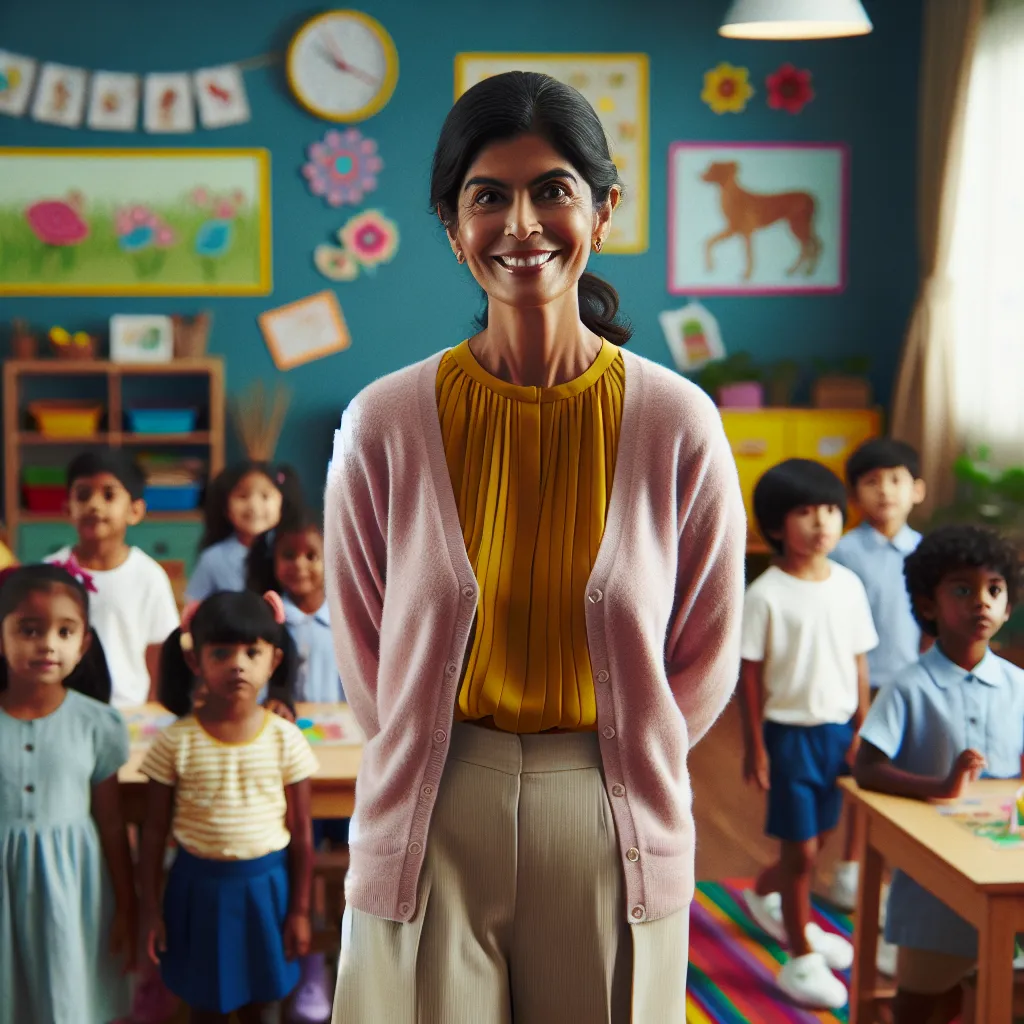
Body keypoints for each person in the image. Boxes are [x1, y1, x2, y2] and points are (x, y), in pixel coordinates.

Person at [325, 70, 746, 1024]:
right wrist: (410, 756)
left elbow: (709, 649)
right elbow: (360, 639)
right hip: (432, 810)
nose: (522, 225)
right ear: (450, 223)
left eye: (552, 189)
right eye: (489, 197)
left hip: (609, 807)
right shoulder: (385, 421)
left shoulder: (678, 421)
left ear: (603, 210)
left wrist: (632, 765)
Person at [855, 525, 1024, 1024]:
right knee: (921, 1001)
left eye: (995, 589)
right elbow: (866, 768)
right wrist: (941, 787)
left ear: (1009, 606)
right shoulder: (909, 687)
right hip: (937, 873)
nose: (982, 602)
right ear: (928, 604)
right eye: (963, 589)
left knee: (1006, 991)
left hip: (1004, 859)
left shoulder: (1017, 685)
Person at [138, 589, 317, 1024]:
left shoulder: (285, 738)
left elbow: (303, 835)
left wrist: (298, 911)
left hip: (266, 891)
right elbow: (152, 833)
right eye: (221, 652)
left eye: (252, 651)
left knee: (261, 1007)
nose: (238, 663)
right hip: (196, 890)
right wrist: (150, 911)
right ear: (195, 661)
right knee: (204, 1007)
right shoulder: (174, 743)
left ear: (273, 660)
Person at [739, 459, 878, 1010]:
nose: (821, 523)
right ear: (776, 526)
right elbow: (749, 676)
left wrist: (863, 728)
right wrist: (754, 746)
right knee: (800, 852)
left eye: (829, 510)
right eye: (804, 512)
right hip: (790, 737)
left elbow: (859, 662)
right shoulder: (766, 594)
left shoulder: (848, 585)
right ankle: (800, 955)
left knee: (814, 844)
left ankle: (764, 894)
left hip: (838, 734)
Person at [0, 562, 135, 1024]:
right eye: (30, 630)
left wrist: (127, 904)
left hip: (72, 886)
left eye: (64, 630)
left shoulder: (97, 724)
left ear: (83, 643)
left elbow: (112, 822)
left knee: (66, 990)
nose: (47, 644)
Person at [248, 508, 346, 1024]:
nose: (301, 566)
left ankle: (346, 959)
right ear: (273, 560)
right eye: (289, 555)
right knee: (298, 854)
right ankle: (307, 965)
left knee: (350, 855)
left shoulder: (350, 612)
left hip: (344, 760)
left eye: (312, 555)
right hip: (287, 763)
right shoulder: (267, 617)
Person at [828, 439, 926, 913]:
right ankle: (851, 869)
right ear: (854, 496)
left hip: (910, 685)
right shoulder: (843, 552)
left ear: (917, 490)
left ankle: (908, 875)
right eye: (871, 482)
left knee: (910, 775)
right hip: (859, 685)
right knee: (861, 775)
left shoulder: (925, 553)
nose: (885, 491)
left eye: (896, 479)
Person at [48, 450, 179, 707]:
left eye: (109, 495)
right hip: (61, 707)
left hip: (129, 708)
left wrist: (152, 708)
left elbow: (159, 653)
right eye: (83, 495)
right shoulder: (51, 574)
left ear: (135, 511)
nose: (94, 505)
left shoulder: (149, 577)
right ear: (67, 508)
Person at [185, 461, 302, 602]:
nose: (254, 506)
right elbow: (194, 607)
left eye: (265, 496)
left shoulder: (294, 553)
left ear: (282, 503)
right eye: (243, 496)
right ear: (225, 507)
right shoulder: (213, 559)